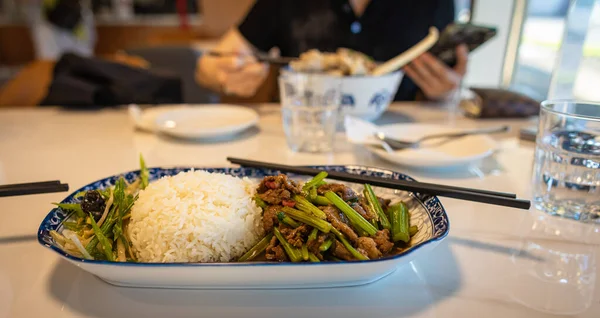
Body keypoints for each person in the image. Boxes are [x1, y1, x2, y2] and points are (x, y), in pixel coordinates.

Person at [195, 0, 468, 101]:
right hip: (299, 142)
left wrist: (447, 91)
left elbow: (451, 80)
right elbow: (208, 66)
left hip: (398, 143)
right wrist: (222, 75)